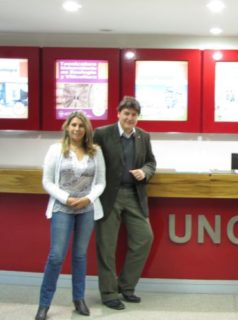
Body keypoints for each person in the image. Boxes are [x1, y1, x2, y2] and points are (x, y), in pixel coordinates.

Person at [35, 112, 106, 320]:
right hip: (62, 208)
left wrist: (88, 198)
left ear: (87, 130)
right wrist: (66, 198)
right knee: (56, 256)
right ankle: (44, 304)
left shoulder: (96, 151)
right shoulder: (55, 150)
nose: (77, 129)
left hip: (86, 209)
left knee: (80, 256)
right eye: (73, 125)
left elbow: (101, 182)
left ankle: (78, 299)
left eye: (81, 126)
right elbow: (47, 182)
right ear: (67, 127)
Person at [93, 96, 156, 310]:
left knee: (144, 238)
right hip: (108, 196)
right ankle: (109, 293)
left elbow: (151, 162)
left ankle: (126, 287)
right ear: (118, 113)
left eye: (134, 114)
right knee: (106, 246)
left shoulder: (143, 137)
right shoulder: (102, 133)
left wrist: (144, 171)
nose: (130, 118)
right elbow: (92, 161)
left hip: (134, 195)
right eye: (126, 113)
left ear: (138, 117)